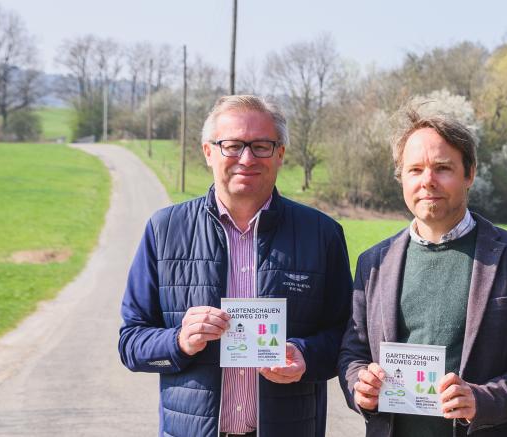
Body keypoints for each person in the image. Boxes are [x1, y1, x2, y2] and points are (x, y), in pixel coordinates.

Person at [118, 95, 353, 437]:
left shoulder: (322, 234)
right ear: (208, 151)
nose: (246, 158)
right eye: (232, 145)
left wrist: (306, 356)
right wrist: (179, 341)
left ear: (281, 154)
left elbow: (347, 339)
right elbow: (131, 342)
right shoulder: (164, 230)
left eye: (261, 146)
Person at [338, 109, 507, 436]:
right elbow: (353, 353)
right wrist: (360, 386)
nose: (428, 181)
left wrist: (483, 400)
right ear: (402, 178)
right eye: (415, 170)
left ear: (469, 174)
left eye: (442, 168)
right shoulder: (374, 262)